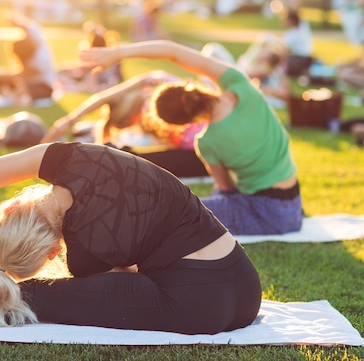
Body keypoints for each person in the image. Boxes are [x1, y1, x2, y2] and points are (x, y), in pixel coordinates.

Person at [0, 142, 261, 334]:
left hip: (196, 306)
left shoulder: (86, 253)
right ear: (11, 208)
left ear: (52, 251)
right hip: (245, 286)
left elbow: (121, 278)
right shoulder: (67, 156)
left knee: (22, 300)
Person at [79, 40, 303, 236]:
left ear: (184, 123)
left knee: (177, 212)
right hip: (293, 200)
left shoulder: (207, 143)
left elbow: (227, 190)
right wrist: (117, 53)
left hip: (268, 213)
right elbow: (171, 51)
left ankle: (100, 223)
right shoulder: (239, 83)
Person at [43, 69, 209, 178]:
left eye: (128, 122)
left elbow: (103, 98)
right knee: (130, 159)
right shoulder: (153, 91)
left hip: (207, 155)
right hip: (198, 154)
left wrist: (70, 120)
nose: (134, 124)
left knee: (137, 162)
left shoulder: (155, 85)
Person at [0, 13, 57, 105]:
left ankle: (15, 96)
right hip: (26, 82)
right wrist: (16, 21)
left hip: (42, 86)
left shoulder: (40, 60)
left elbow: (21, 78)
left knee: (26, 93)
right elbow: (31, 26)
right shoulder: (35, 39)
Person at [282, 10, 314, 77]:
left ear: (291, 21)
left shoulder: (290, 34)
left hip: (297, 60)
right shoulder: (304, 27)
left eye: (286, 19)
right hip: (308, 59)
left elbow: (285, 51)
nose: (284, 21)